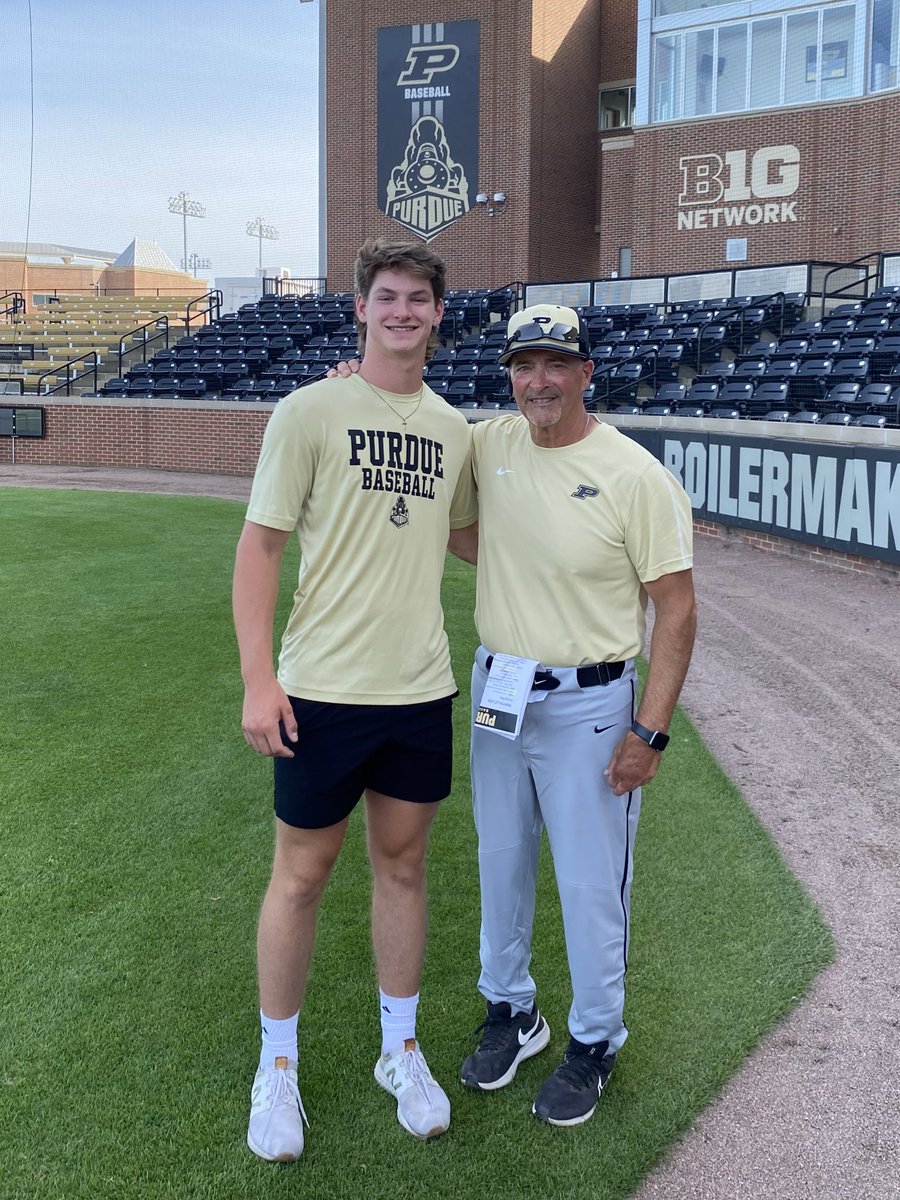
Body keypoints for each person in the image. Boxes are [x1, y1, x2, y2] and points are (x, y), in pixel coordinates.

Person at [232, 238, 477, 1161]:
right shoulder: (310, 410)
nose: (403, 310)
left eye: (418, 298)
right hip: (322, 690)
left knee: (405, 869)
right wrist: (261, 681)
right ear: (362, 310)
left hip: (419, 690)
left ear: (437, 313)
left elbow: (468, 541)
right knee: (300, 876)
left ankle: (399, 1049)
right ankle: (279, 1067)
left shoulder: (455, 429)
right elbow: (259, 550)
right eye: (387, 296)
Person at [450, 304, 696, 1127]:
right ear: (510, 374)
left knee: (591, 885)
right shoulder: (490, 443)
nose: (539, 380)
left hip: (593, 701)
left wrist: (649, 730)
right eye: (525, 364)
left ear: (586, 373)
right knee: (501, 860)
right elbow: (452, 514)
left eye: (557, 363)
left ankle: (595, 1040)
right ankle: (510, 1010)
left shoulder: (635, 474)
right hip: (500, 690)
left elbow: (677, 608)